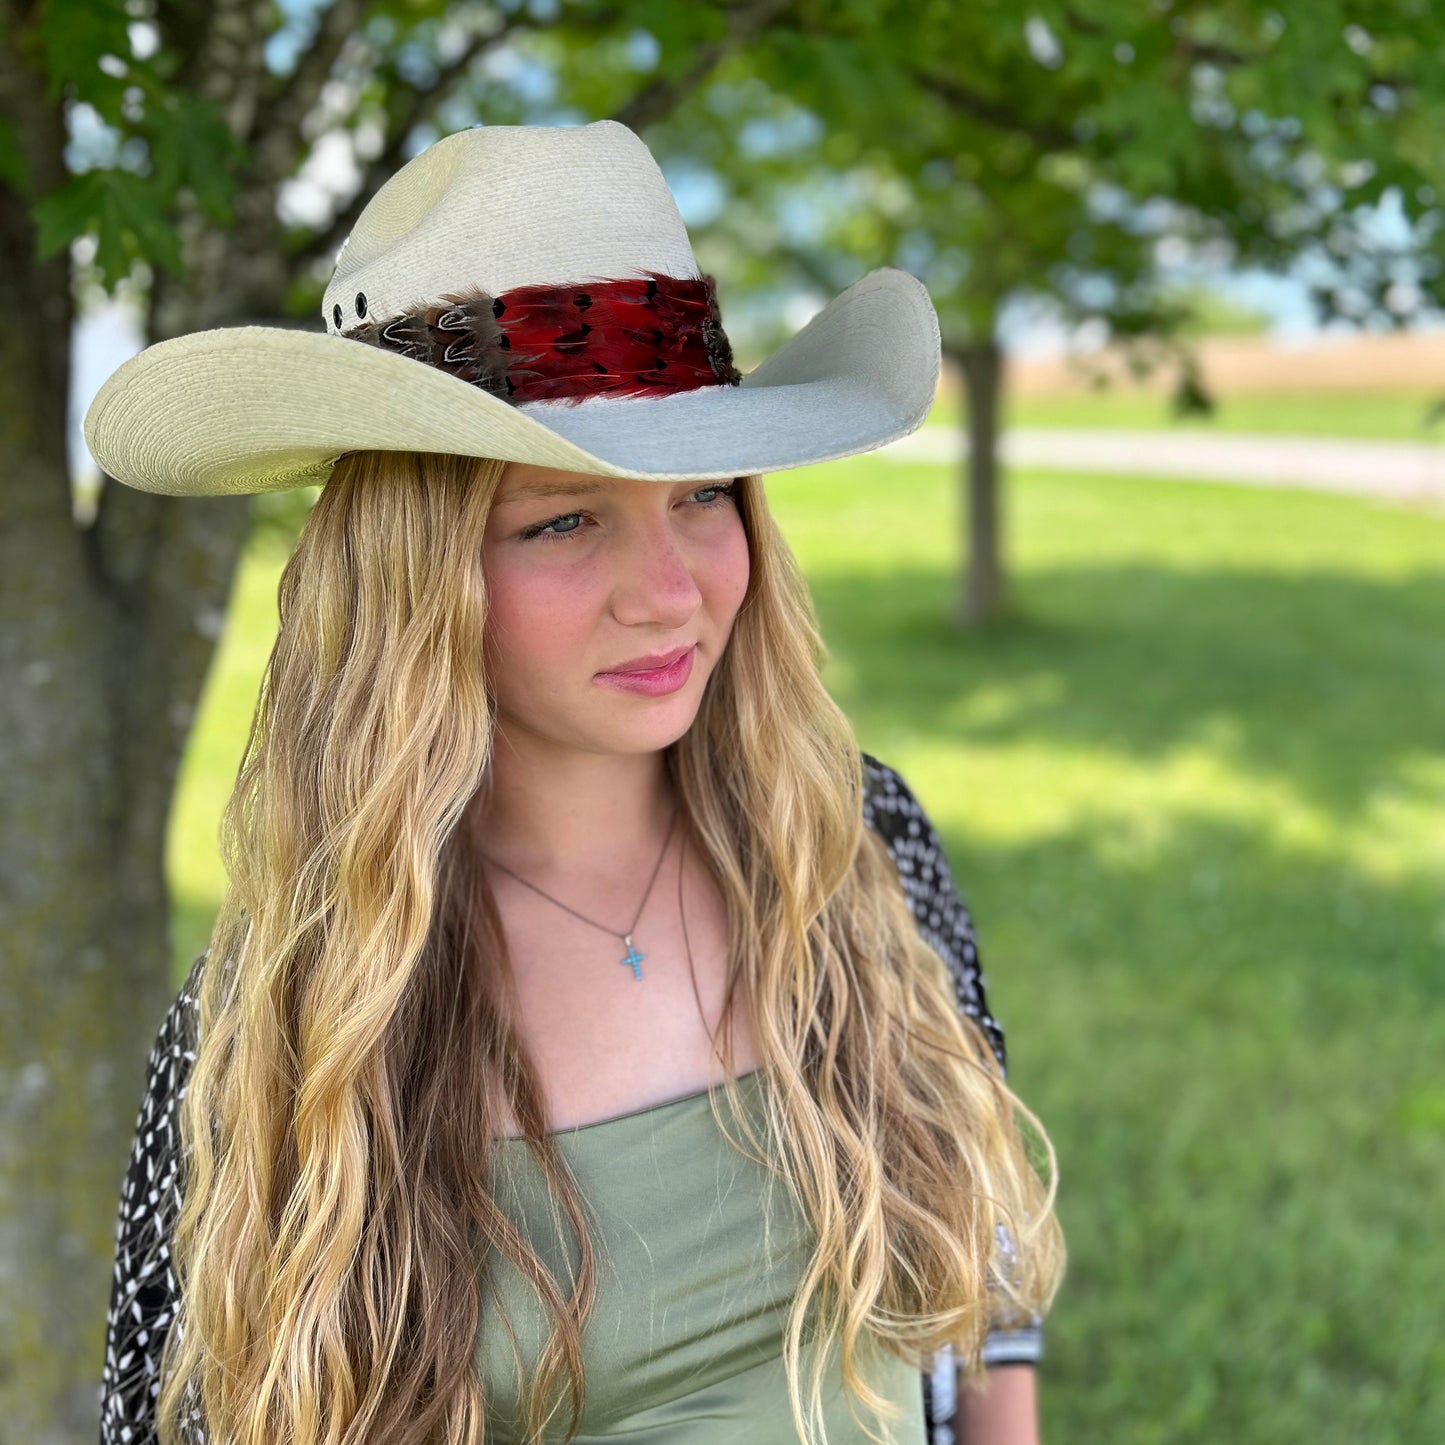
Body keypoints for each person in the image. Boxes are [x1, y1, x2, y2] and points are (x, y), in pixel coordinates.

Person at [88, 120, 1064, 1445]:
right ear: (412, 582)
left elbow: (985, 1278)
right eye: (561, 519)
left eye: (701, 493)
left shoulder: (850, 829)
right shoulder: (289, 1022)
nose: (669, 595)